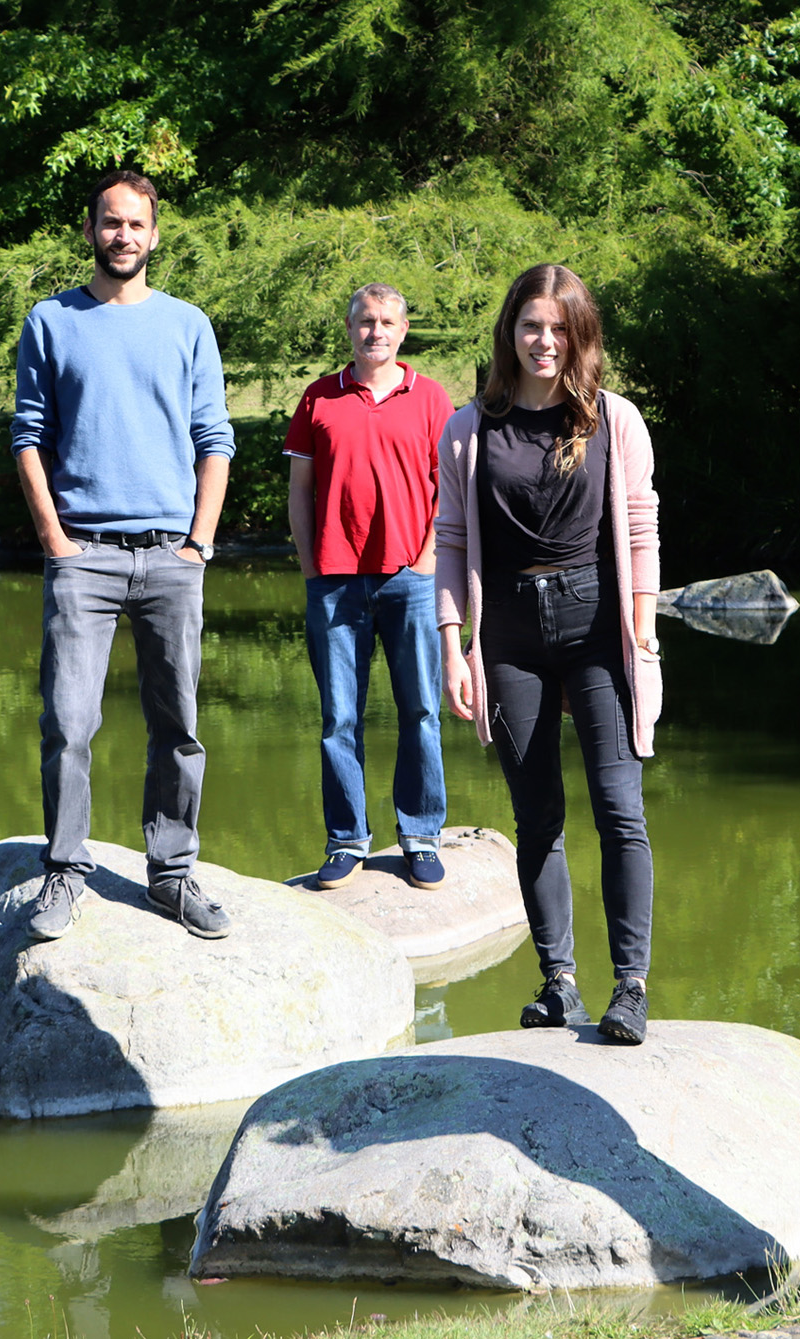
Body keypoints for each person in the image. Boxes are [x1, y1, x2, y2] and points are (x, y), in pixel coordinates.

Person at [435, 263, 664, 1045]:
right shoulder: (470, 428)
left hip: (599, 627)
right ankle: (558, 982)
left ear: (580, 336)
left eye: (559, 327)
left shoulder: (614, 421)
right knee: (538, 816)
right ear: (511, 331)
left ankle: (630, 987)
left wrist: (642, 634)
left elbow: (640, 527)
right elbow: (452, 540)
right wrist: (451, 645)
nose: (544, 340)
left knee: (619, 809)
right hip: (509, 637)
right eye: (532, 325)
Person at [11, 169, 236, 943]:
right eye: (111, 223)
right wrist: (54, 539)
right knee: (69, 722)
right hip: (86, 558)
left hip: (171, 558)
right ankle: (66, 871)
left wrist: (199, 541)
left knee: (178, 723)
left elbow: (216, 441)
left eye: (136, 224)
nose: (123, 236)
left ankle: (171, 874)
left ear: (155, 234)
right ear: (90, 231)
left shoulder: (187, 325)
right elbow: (28, 436)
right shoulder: (51, 321)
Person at [285, 283, 455, 890]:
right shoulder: (318, 399)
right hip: (334, 582)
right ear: (350, 328)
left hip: (411, 578)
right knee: (339, 719)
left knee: (422, 710)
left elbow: (450, 493)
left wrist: (432, 562)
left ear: (403, 330)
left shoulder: (432, 399)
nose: (375, 331)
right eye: (364, 321)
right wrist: (310, 566)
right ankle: (347, 838)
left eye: (386, 322)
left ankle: (420, 834)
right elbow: (299, 494)